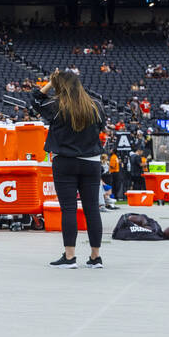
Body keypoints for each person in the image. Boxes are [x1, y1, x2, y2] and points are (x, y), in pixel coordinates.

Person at [35, 70, 104, 269]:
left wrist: (49, 83)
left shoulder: (56, 105)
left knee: (69, 209)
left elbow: (35, 100)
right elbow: (101, 127)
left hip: (65, 161)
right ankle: (95, 257)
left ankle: (70, 256)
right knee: (92, 209)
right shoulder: (96, 105)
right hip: (91, 161)